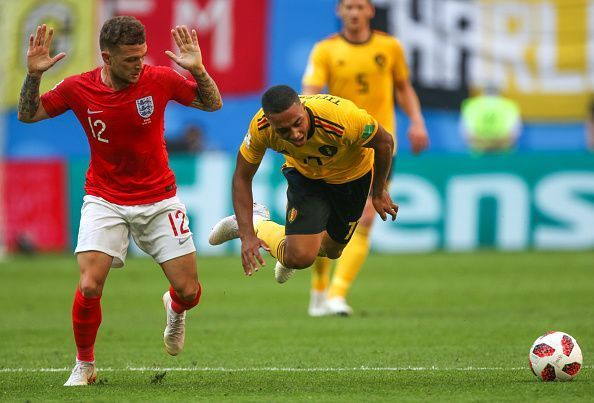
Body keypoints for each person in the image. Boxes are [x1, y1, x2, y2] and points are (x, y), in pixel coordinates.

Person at [17, 17, 222, 386]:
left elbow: (213, 105)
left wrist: (199, 70)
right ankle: (84, 365)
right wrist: (33, 76)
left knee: (189, 291)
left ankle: (175, 309)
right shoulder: (78, 88)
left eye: (141, 55)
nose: (139, 64)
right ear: (106, 57)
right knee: (90, 285)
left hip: (159, 199)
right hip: (104, 198)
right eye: (130, 59)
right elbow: (28, 114)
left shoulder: (159, 79)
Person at [301, 0, 429, 316]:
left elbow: (403, 87)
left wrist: (417, 121)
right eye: (349, 7)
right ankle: (318, 291)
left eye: (360, 7)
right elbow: (310, 91)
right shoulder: (325, 50)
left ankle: (336, 294)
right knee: (323, 223)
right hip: (340, 145)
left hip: (380, 144)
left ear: (371, 11)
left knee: (367, 217)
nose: (354, 13)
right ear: (339, 12)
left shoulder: (390, 47)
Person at [208, 85, 397, 287]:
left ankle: (287, 247)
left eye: (298, 123)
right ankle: (256, 223)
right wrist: (247, 235)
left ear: (303, 109)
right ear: (271, 124)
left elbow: (384, 142)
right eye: (284, 130)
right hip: (306, 176)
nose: (295, 134)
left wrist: (378, 191)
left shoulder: (341, 118)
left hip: (352, 177)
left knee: (333, 251)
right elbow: (242, 177)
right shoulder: (261, 128)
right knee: (300, 258)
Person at [460, 88, 522, 154]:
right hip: (503, 153)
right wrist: (496, 143)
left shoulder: (471, 105)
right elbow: (515, 134)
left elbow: (466, 134)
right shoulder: (509, 106)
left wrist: (485, 143)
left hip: (478, 152)